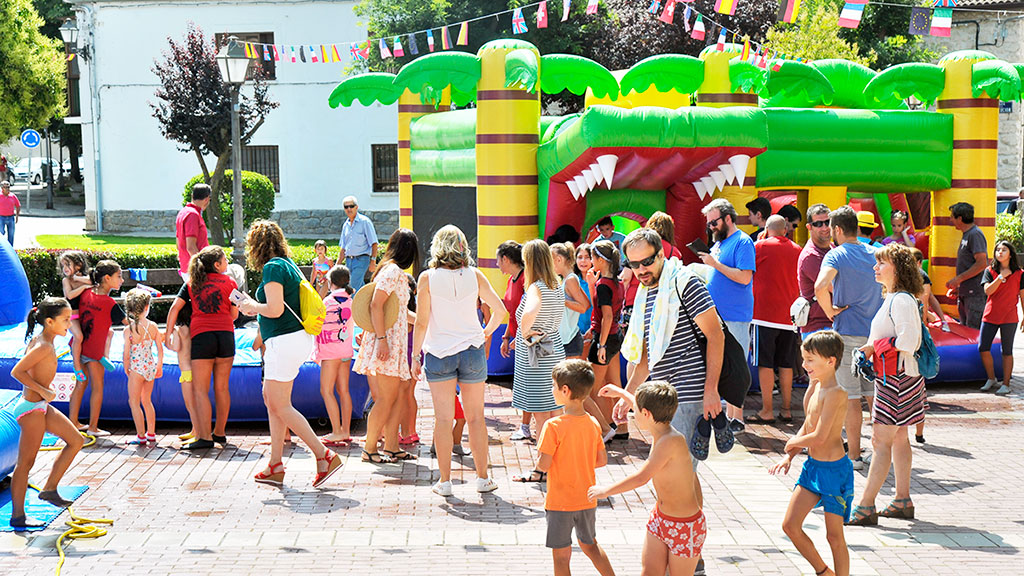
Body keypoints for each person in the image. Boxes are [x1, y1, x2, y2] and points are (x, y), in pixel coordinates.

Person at [618, 228, 728, 576]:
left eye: (647, 261)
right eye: (634, 264)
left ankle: (688, 559)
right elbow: (649, 355)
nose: (641, 269)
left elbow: (716, 334)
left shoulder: (684, 284)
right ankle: (690, 557)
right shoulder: (649, 292)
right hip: (665, 398)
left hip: (691, 395)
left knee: (676, 477)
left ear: (662, 253)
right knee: (683, 478)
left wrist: (711, 389)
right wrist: (630, 393)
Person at [238, 220, 343, 487]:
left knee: (279, 403)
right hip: (295, 339)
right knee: (273, 399)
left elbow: (274, 310)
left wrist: (251, 305)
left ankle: (323, 455)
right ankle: (275, 464)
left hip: (283, 341)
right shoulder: (288, 265)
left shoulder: (273, 267)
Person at [411, 225, 507, 497]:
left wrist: (415, 354)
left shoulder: (427, 278)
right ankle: (483, 478)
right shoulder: (475, 276)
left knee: (443, 419)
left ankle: (445, 482)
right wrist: (485, 332)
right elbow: (500, 310)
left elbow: (421, 322)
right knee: (476, 418)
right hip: (472, 349)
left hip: (439, 352)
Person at [847, 243, 927, 526]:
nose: (875, 267)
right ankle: (902, 500)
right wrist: (868, 349)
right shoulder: (896, 297)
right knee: (899, 437)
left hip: (895, 377)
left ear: (898, 268)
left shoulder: (901, 299)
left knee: (881, 441)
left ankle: (866, 505)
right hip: (899, 376)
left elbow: (909, 341)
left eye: (881, 263)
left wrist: (873, 347)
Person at [590, 381, 705, 576]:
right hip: (660, 519)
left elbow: (641, 478)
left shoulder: (671, 441)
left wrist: (605, 491)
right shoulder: (660, 426)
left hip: (685, 526)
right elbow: (642, 405)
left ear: (647, 414)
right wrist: (620, 393)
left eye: (636, 412)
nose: (633, 414)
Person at [520, 359, 615, 576]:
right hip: (587, 498)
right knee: (590, 545)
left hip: (560, 502)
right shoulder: (592, 422)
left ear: (565, 390)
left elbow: (543, 465)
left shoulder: (553, 426)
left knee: (561, 557)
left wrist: (540, 457)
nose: (552, 389)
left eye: (553, 385)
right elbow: (601, 461)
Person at [770, 330, 852, 576]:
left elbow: (821, 436)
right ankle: (824, 572)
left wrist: (791, 441)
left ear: (831, 361)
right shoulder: (816, 387)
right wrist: (790, 454)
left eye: (810, 360)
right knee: (790, 525)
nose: (804, 365)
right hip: (813, 468)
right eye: (804, 359)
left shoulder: (837, 393)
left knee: (834, 536)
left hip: (834, 472)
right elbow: (809, 424)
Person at [814, 206, 883, 471]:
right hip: (876, 335)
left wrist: (830, 311)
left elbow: (820, 286)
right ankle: (880, 451)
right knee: (875, 397)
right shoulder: (875, 253)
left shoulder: (836, 255)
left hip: (848, 332)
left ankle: (853, 455)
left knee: (851, 399)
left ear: (838, 229)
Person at [9, 298, 85, 528]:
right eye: (64, 320)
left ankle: (50, 489)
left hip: (41, 406)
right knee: (25, 464)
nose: (69, 323)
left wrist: (43, 392)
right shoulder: (42, 345)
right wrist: (42, 389)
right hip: (32, 409)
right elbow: (16, 371)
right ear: (50, 321)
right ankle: (18, 517)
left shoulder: (46, 341)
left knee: (76, 440)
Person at [353, 228, 419, 464]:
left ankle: (392, 446)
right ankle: (370, 448)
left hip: (393, 344)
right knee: (386, 399)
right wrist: (381, 340)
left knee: (397, 397)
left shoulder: (391, 270)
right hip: (388, 344)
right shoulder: (392, 271)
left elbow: (398, 312)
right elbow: (375, 305)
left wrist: (422, 320)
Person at [699, 198, 755, 431]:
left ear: (728, 219)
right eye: (709, 223)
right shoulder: (719, 243)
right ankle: (725, 416)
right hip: (717, 316)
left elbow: (744, 277)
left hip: (734, 315)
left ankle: (737, 418)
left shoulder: (742, 241)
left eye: (714, 222)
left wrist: (714, 264)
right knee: (718, 364)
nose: (711, 227)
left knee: (736, 365)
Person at [175, 246, 238, 450]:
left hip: (203, 336)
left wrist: (168, 333)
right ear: (217, 265)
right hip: (226, 336)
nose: (227, 262)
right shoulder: (230, 282)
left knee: (200, 389)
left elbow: (175, 308)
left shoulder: (193, 282)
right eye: (225, 259)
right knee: (222, 387)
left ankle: (204, 437)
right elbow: (235, 315)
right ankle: (219, 433)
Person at [751, 216, 803, 424]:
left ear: (766, 228)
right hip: (789, 316)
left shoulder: (760, 246)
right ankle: (787, 409)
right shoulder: (797, 249)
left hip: (764, 314)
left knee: (765, 363)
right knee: (786, 363)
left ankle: (767, 410)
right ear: (786, 230)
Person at [512, 239, 567, 438]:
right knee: (555, 408)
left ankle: (544, 461)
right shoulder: (557, 285)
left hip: (537, 356)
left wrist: (525, 332)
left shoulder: (536, 287)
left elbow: (530, 312)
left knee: (541, 411)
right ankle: (557, 459)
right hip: (554, 349)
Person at [70, 260, 127, 437]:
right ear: (107, 278)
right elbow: (129, 323)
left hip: (79, 348)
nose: (122, 280)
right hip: (94, 354)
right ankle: (93, 427)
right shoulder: (109, 303)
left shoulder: (85, 293)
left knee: (80, 384)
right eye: (119, 277)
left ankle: (73, 423)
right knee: (98, 387)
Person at [586, 240, 625, 441]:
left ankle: (604, 428)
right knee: (614, 383)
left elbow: (607, 316)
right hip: (615, 336)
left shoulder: (603, 285)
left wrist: (600, 344)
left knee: (592, 390)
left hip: (606, 338)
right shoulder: (616, 282)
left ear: (601, 260)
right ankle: (622, 427)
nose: (591, 260)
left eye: (592, 257)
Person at [315, 265, 355, 446]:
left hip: (331, 353)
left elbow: (317, 325)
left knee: (326, 390)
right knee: (344, 390)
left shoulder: (328, 302)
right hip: (346, 351)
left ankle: (337, 431)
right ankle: (345, 430)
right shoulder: (351, 302)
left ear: (331, 283)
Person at [496, 240, 532, 441]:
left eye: (498, 260)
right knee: (524, 383)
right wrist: (506, 337)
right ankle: (527, 425)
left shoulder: (526, 280)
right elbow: (512, 314)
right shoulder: (512, 280)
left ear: (506, 259)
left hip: (528, 340)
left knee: (530, 384)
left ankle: (527, 426)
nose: (497, 265)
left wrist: (520, 337)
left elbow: (527, 313)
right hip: (518, 338)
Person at [978, 241, 1024, 395]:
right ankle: (991, 378)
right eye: (997, 250)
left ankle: (1006, 384)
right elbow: (988, 291)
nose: (1000, 252)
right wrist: (1000, 278)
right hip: (990, 315)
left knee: (1007, 350)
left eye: (1004, 250)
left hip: (1010, 317)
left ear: (1010, 254)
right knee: (983, 347)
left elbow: (1023, 297)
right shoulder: (989, 271)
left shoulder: (1020, 274)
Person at [121, 289, 162, 446]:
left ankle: (140, 435)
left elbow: (126, 353)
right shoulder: (153, 326)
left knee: (134, 401)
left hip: (136, 368)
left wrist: (126, 367)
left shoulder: (129, 329)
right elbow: (159, 348)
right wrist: (159, 365)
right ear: (147, 307)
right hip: (150, 366)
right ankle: (151, 433)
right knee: (147, 400)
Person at [946, 202, 988, 329]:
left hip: (974, 293)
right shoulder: (968, 234)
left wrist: (958, 279)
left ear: (960, 218)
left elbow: (981, 263)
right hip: (967, 292)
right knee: (966, 331)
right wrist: (960, 287)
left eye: (952, 216)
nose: (950, 219)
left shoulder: (975, 234)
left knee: (973, 332)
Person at [799, 204, 834, 338]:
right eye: (818, 224)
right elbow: (834, 287)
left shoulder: (832, 248)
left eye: (827, 222)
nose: (825, 228)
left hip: (830, 324)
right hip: (818, 328)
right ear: (809, 227)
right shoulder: (811, 256)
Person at [551, 242, 590, 360]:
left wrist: (561, 300)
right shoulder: (569, 278)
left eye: (550, 260)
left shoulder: (570, 279)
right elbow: (587, 304)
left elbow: (583, 307)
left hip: (569, 340)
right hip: (567, 338)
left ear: (559, 259)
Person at [58, 251, 92, 382]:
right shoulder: (66, 280)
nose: (65, 269)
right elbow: (69, 295)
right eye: (63, 266)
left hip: (84, 315)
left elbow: (92, 281)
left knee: (91, 335)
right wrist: (83, 287)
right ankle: (77, 366)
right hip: (71, 316)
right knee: (79, 336)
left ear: (78, 265)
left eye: (68, 265)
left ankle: (95, 355)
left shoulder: (82, 278)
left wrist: (78, 279)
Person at [338, 195, 379, 292]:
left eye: (351, 206)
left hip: (362, 259)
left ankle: (352, 307)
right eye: (346, 207)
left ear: (356, 207)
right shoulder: (346, 225)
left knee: (352, 286)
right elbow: (343, 248)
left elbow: (374, 243)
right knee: (358, 286)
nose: (349, 209)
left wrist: (373, 261)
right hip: (349, 261)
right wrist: (337, 265)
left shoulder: (365, 222)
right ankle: (367, 303)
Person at [175, 183, 211, 280]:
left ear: (192, 196)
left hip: (186, 266)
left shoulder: (183, 212)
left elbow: (178, 243)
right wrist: (202, 267)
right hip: (194, 269)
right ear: (207, 199)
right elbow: (191, 247)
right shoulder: (193, 215)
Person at [575, 243, 595, 358]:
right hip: (577, 333)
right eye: (580, 257)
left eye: (587, 257)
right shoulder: (573, 281)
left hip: (594, 331)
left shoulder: (599, 281)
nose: (583, 261)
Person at [0, 180, 21, 246]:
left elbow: (18, 205)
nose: (7, 189)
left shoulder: (13, 196)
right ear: (2, 188)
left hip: (11, 217)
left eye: (8, 187)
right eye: (5, 187)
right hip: (1, 217)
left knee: (11, 234)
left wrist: (17, 216)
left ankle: (10, 249)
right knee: (1, 234)